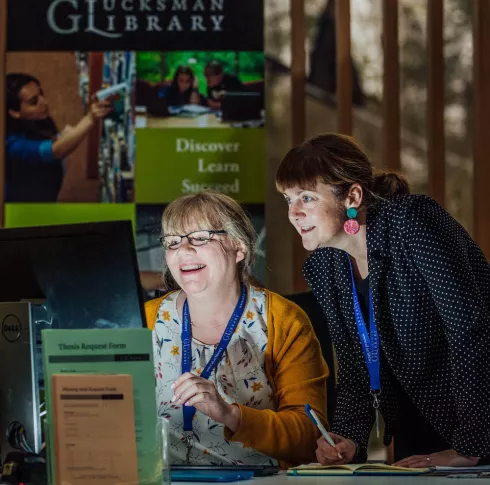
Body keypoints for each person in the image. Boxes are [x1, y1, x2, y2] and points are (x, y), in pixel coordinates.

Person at [276, 133, 490, 468]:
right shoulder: (324, 267)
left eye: (306, 197)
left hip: (479, 421)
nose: (294, 213)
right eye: (288, 199)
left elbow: (472, 331)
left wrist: (471, 445)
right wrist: (348, 437)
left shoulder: (412, 222)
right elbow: (356, 370)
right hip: (420, 430)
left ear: (353, 196)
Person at [145, 191, 328, 467]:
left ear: (239, 248)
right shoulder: (146, 319)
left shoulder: (283, 319)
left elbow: (310, 435)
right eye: (172, 242)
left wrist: (231, 414)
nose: (183, 251)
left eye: (200, 238)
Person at [6, 73, 113, 202]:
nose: (44, 102)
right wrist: (90, 118)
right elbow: (55, 151)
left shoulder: (37, 120)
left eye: (41, 94)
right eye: (34, 102)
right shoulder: (11, 143)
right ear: (14, 112)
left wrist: (62, 136)